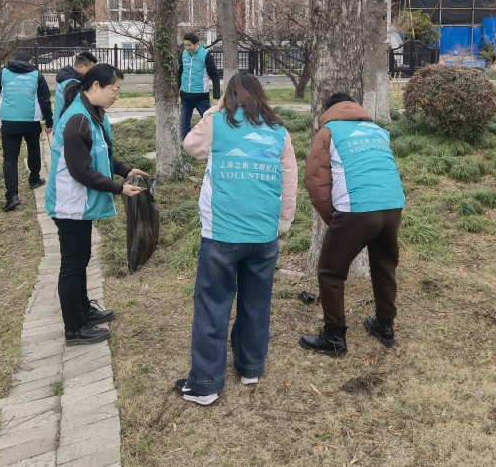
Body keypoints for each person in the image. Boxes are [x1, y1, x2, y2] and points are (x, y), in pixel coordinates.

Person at [174, 73, 297, 405]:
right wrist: (284, 220)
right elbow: (289, 179)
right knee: (257, 301)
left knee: (213, 304)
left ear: (228, 96)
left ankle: (205, 384)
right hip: (264, 234)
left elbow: (190, 146)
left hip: (222, 233)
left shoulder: (218, 124)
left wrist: (213, 111)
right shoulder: (279, 131)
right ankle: (250, 368)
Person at [45, 63, 147, 346]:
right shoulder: (78, 119)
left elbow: (101, 154)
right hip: (70, 204)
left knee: (81, 259)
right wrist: (119, 188)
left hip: (80, 204)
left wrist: (125, 171)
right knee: (72, 265)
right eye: (115, 89)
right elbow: (81, 170)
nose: (117, 95)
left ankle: (83, 312)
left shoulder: (92, 112)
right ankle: (74, 329)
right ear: (95, 86)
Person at [299, 93, 405, 357]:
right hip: (393, 205)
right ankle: (385, 326)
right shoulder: (378, 131)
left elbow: (315, 181)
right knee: (384, 266)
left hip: (356, 209)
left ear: (329, 110)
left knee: (330, 272)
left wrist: (333, 218)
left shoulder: (328, 132)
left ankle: (334, 336)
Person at [0, 49, 54, 212]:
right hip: (31, 120)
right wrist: (49, 122)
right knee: (33, 149)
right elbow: (45, 100)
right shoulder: (37, 75)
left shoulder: (2, 73)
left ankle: (12, 196)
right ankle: (34, 179)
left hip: (9, 121)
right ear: (30, 61)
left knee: (10, 158)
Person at [177, 33, 221, 140]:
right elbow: (179, 73)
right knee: (184, 124)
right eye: (185, 45)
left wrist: (216, 95)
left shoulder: (205, 55)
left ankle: (211, 142)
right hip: (185, 96)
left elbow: (214, 75)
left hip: (201, 96)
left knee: (208, 122)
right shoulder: (183, 54)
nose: (187, 48)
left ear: (196, 43)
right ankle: (186, 144)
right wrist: (176, 89)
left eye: (189, 45)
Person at [54, 50, 97, 130]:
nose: (92, 73)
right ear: (82, 66)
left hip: (59, 125)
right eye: (91, 69)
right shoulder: (73, 84)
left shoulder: (65, 79)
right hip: (67, 128)